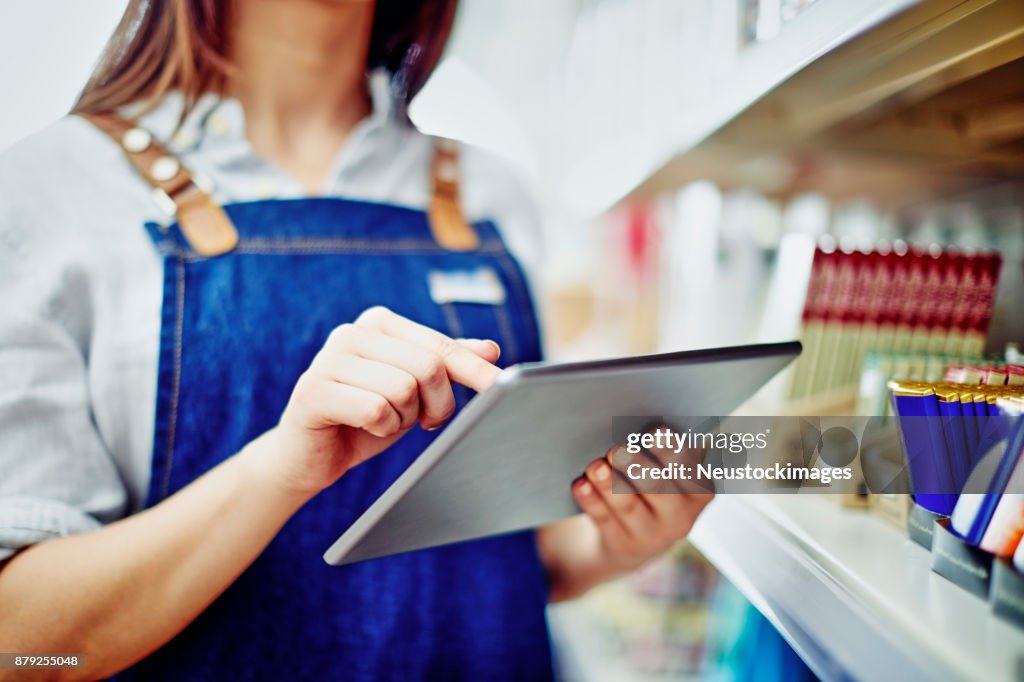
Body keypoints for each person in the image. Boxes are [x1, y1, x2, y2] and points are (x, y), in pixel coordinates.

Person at [0, 1, 712, 679]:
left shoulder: (496, 197)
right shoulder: (45, 196)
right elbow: (19, 646)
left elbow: (512, 559)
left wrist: (620, 539)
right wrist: (279, 471)